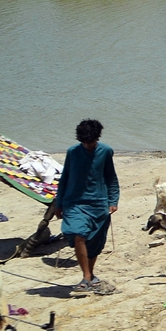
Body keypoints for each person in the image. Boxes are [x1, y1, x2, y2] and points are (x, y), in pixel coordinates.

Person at [53, 119, 119, 293]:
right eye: (84, 142)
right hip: (74, 202)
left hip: (99, 203)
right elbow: (64, 178)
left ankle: (90, 275)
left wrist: (113, 200)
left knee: (95, 242)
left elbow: (111, 177)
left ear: (97, 138)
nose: (88, 145)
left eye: (91, 142)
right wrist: (58, 204)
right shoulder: (72, 152)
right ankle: (86, 277)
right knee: (78, 234)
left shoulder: (106, 151)